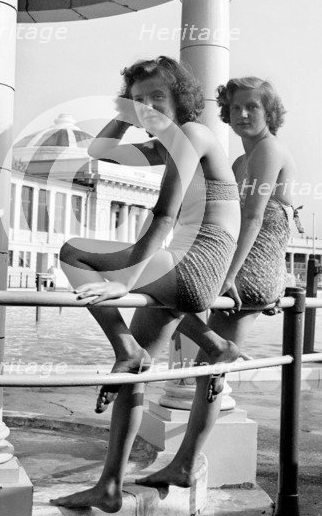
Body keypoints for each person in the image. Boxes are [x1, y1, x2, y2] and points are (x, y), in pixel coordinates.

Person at [51, 56, 241, 511]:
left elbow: (165, 214)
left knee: (72, 252)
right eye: (139, 100)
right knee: (137, 371)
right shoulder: (171, 142)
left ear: (181, 98)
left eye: (158, 96)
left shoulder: (191, 135)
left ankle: (129, 350)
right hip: (194, 270)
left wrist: (126, 281)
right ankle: (111, 485)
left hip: (190, 264)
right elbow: (98, 152)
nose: (149, 106)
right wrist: (123, 115)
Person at [135, 76, 298, 489]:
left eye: (253, 107)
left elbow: (257, 217)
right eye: (236, 107)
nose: (242, 114)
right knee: (206, 365)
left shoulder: (268, 150)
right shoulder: (242, 160)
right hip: (253, 268)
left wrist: (226, 275)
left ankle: (186, 462)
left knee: (166, 300)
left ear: (270, 111)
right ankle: (186, 462)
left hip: (248, 271)